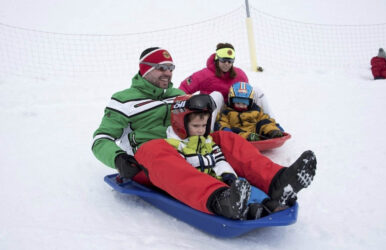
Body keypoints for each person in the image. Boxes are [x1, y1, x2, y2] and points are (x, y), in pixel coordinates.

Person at [92, 47, 317, 220]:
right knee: (155, 147)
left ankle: (278, 181)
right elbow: (101, 139)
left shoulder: (178, 94)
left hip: (187, 151)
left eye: (171, 68)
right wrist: (119, 158)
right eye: (162, 67)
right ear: (145, 69)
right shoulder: (123, 99)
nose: (168, 72)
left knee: (224, 137)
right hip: (146, 163)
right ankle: (221, 200)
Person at [179, 42, 275, 126]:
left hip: (235, 110)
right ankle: (208, 131)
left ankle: (271, 124)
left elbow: (247, 96)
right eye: (223, 60)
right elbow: (184, 88)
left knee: (257, 91)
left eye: (230, 61)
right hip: (213, 113)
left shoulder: (240, 75)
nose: (227, 64)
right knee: (217, 95)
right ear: (217, 59)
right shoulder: (205, 74)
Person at [215, 82, 283, 141]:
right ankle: (249, 137)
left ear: (250, 103)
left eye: (244, 104)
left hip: (255, 131)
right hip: (240, 134)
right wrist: (225, 129)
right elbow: (222, 122)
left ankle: (273, 132)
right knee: (234, 131)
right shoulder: (227, 112)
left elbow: (265, 118)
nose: (241, 106)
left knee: (264, 122)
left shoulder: (256, 110)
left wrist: (275, 125)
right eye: (238, 103)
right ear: (231, 101)